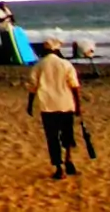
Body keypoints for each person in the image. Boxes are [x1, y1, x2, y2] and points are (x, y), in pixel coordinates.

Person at [27, 38, 82, 180]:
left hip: (48, 106)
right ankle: (69, 160)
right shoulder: (66, 64)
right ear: (57, 50)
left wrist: (30, 104)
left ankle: (59, 168)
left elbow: (33, 86)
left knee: (52, 138)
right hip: (66, 104)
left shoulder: (39, 66)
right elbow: (74, 87)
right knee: (67, 134)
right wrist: (78, 106)